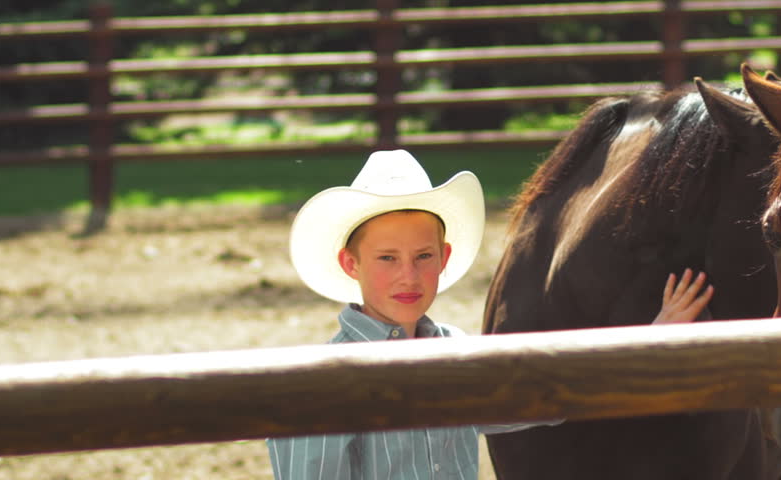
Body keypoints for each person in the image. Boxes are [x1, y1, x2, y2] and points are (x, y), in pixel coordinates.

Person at [267, 149, 713, 480]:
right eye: (387, 259)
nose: (409, 276)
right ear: (351, 264)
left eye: (422, 256)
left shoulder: (455, 353)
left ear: (443, 258)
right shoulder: (326, 382)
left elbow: (551, 394)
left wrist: (651, 339)